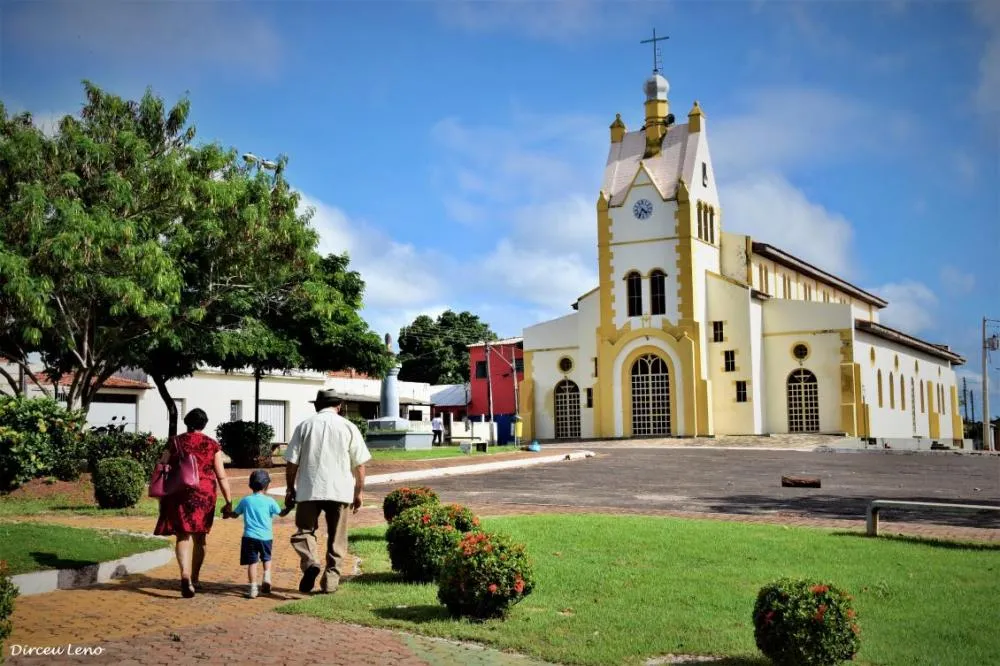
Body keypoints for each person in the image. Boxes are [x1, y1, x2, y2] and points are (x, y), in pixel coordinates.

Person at [284, 389, 370, 594]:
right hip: (340, 490)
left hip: (308, 489)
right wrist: (359, 491)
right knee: (337, 537)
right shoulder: (349, 427)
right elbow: (359, 464)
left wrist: (290, 487)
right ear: (338, 406)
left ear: (317, 405)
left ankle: (310, 561)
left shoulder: (304, 426)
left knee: (304, 532)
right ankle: (330, 581)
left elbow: (291, 462)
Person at [154, 408, 233, 598]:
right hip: (204, 494)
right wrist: (228, 500)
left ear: (187, 422)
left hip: (181, 492)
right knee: (200, 538)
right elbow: (221, 476)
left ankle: (185, 575)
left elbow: (163, 464)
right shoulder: (212, 444)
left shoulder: (175, 441)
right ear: (204, 424)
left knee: (182, 536)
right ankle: (196, 578)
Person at [227, 470, 282, 599]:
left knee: (252, 563)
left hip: (249, 536)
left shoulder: (246, 500)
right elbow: (281, 513)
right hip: (266, 537)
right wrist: (289, 507)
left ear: (250, 485)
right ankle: (267, 577)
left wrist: (228, 513)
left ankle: (253, 589)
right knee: (266, 558)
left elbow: (235, 514)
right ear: (267, 485)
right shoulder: (270, 501)